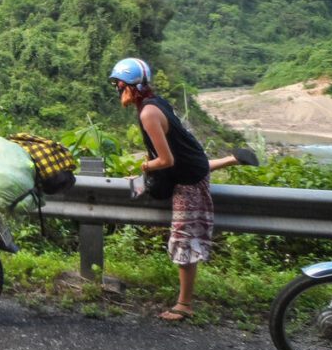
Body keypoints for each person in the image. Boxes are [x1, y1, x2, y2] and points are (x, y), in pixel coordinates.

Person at [109, 57, 256, 322]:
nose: (117, 89)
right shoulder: (156, 103)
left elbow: (166, 161)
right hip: (194, 166)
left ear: (128, 85)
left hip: (188, 183)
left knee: (183, 240)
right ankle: (232, 159)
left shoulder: (147, 113)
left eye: (118, 84)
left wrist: (145, 166)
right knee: (190, 176)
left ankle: (184, 305)